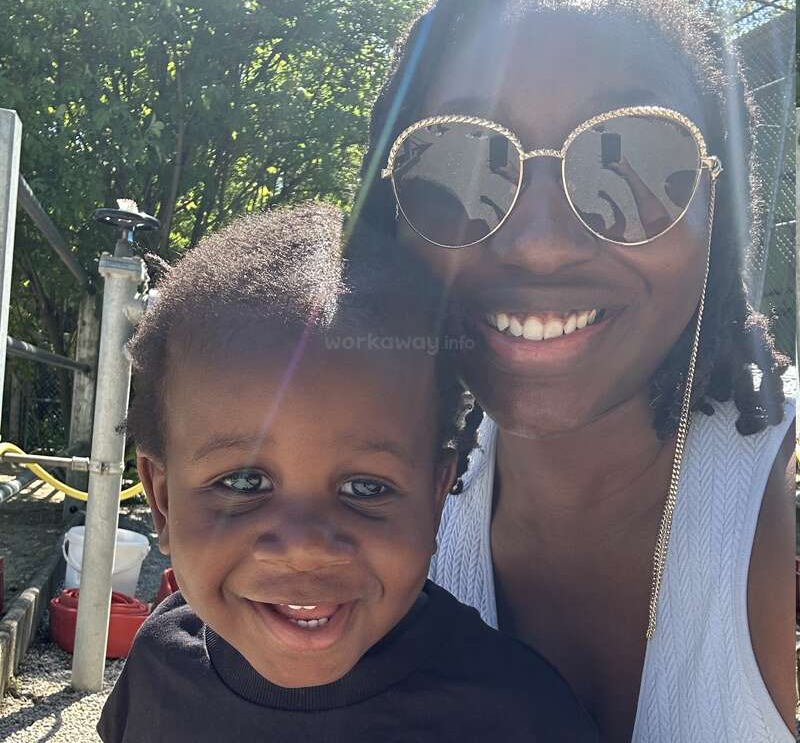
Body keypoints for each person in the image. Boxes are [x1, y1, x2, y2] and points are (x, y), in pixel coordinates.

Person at [351, 0, 796, 741]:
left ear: (718, 205)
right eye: (460, 165)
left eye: (635, 160)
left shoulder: (780, 502)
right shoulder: (375, 501)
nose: (540, 245)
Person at [97, 205, 599, 742]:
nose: (305, 549)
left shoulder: (520, 717)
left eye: (365, 488)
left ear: (434, 501)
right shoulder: (160, 666)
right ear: (163, 501)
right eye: (244, 483)